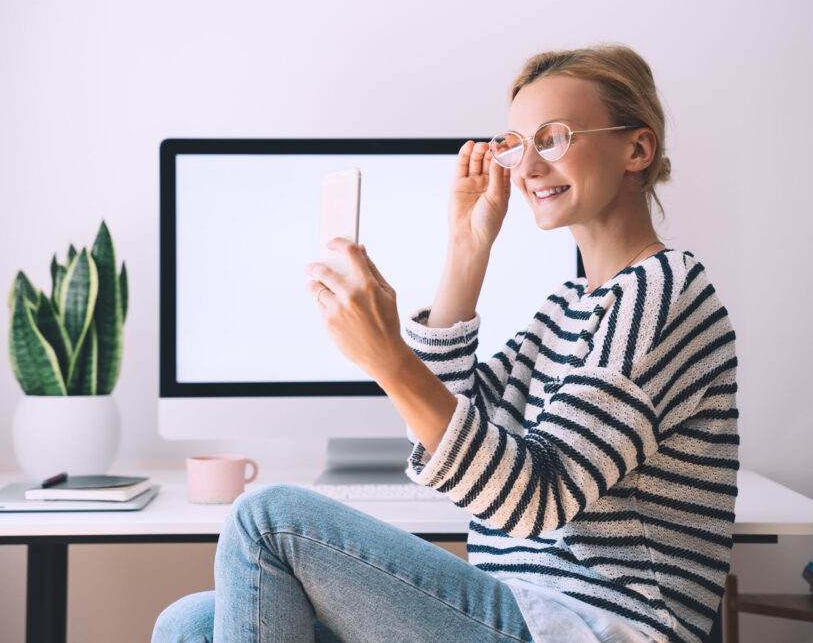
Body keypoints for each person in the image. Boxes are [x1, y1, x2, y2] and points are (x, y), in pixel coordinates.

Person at [152, 44, 738, 643]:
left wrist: (388, 359)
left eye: (554, 138)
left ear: (636, 149)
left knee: (267, 520)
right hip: (524, 611)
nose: (528, 166)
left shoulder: (662, 294)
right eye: (514, 144)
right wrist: (468, 246)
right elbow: (463, 428)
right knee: (191, 624)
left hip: (596, 629)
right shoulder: (570, 304)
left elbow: (537, 495)